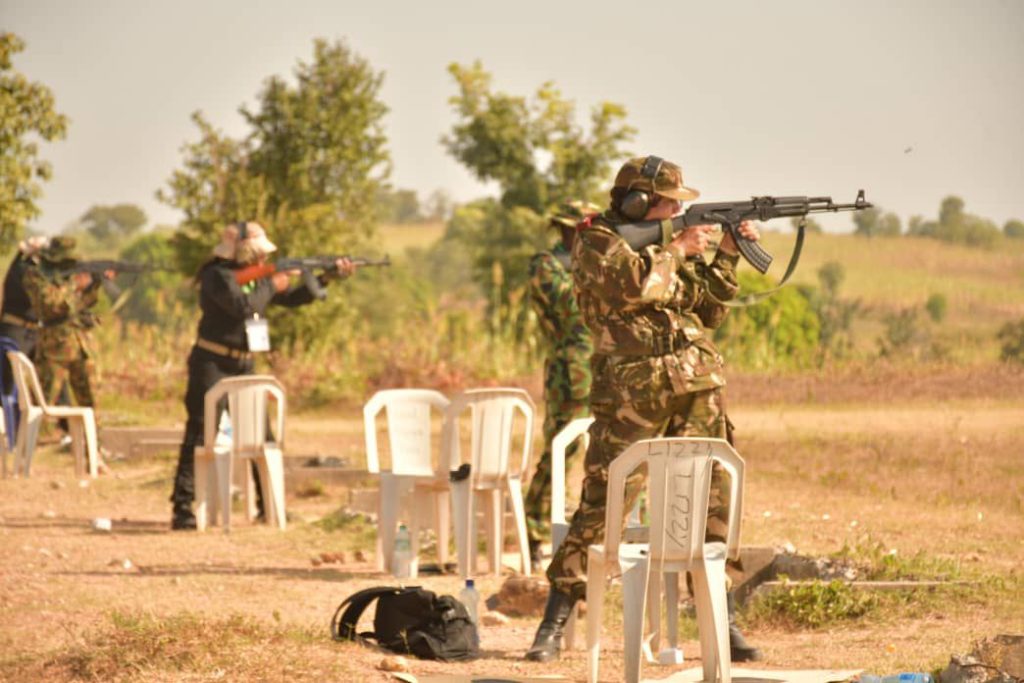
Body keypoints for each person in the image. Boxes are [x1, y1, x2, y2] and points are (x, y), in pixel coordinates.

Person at [524, 156, 763, 662]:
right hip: (631, 391)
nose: (678, 209)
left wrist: (726, 253)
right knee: (603, 503)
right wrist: (675, 247)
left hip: (696, 382)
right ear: (636, 202)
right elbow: (633, 287)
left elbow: (710, 310)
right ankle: (556, 616)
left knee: (713, 502)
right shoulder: (596, 243)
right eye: (669, 202)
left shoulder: (666, 247)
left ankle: (721, 614)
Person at [169, 221, 357, 531]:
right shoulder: (216, 277)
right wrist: (272, 282)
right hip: (211, 363)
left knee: (261, 436)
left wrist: (326, 278)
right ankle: (182, 506)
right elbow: (243, 307)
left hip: (244, 365)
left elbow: (292, 299)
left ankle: (267, 506)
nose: (261, 262)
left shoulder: (256, 279)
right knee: (199, 434)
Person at [523, 200, 599, 570]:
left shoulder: (593, 262)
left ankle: (623, 532)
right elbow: (574, 306)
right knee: (560, 451)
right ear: (568, 229)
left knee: (621, 454)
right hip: (570, 372)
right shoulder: (546, 265)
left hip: (608, 368)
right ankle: (534, 530)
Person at [22, 236, 107, 424]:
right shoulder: (36, 275)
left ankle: (94, 448)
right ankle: (31, 448)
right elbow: (50, 307)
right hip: (54, 348)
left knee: (91, 402)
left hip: (80, 346)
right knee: (43, 405)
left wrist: (94, 284)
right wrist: (75, 284)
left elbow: (83, 304)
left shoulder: (69, 276)